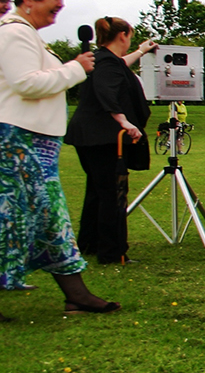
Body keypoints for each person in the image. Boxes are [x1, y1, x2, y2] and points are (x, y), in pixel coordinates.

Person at [0, 0, 119, 315]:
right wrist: (76, 68)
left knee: (41, 219)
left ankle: (76, 294)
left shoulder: (28, 36)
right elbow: (27, 83)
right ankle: (77, 294)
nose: (60, 5)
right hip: (20, 142)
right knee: (23, 219)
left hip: (36, 143)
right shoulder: (14, 35)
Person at [64, 16, 156, 266]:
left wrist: (140, 51)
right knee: (112, 194)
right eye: (131, 37)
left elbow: (119, 65)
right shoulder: (108, 65)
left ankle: (90, 243)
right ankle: (112, 252)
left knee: (97, 190)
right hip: (103, 137)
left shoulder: (102, 59)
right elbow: (107, 89)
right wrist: (124, 120)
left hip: (88, 135)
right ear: (122, 35)